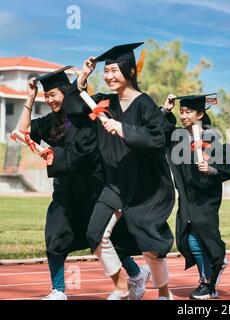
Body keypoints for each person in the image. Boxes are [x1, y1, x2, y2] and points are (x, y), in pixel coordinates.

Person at [17, 66, 148, 300]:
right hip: (65, 192)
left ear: (66, 93)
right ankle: (58, 291)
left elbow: (84, 154)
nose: (49, 100)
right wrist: (30, 97)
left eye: (52, 95)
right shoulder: (51, 121)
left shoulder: (84, 118)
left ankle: (137, 273)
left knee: (106, 241)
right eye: (46, 96)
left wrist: (51, 155)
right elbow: (23, 130)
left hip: (93, 191)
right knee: (55, 236)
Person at [71, 43, 176, 300]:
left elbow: (157, 138)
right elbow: (75, 109)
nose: (108, 76)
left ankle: (164, 292)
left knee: (151, 246)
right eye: (105, 71)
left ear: (129, 72)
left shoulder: (144, 103)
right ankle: (122, 285)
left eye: (114, 70)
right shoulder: (105, 103)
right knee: (95, 234)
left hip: (146, 185)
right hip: (116, 181)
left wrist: (124, 129)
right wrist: (83, 78)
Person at [161, 93, 230, 299]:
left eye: (189, 112)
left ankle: (207, 283)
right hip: (186, 197)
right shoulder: (176, 136)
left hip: (206, 198)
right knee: (187, 239)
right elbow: (157, 130)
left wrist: (211, 169)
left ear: (200, 114)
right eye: (182, 111)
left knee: (201, 239)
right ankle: (209, 279)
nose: (184, 115)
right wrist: (166, 109)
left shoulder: (212, 138)